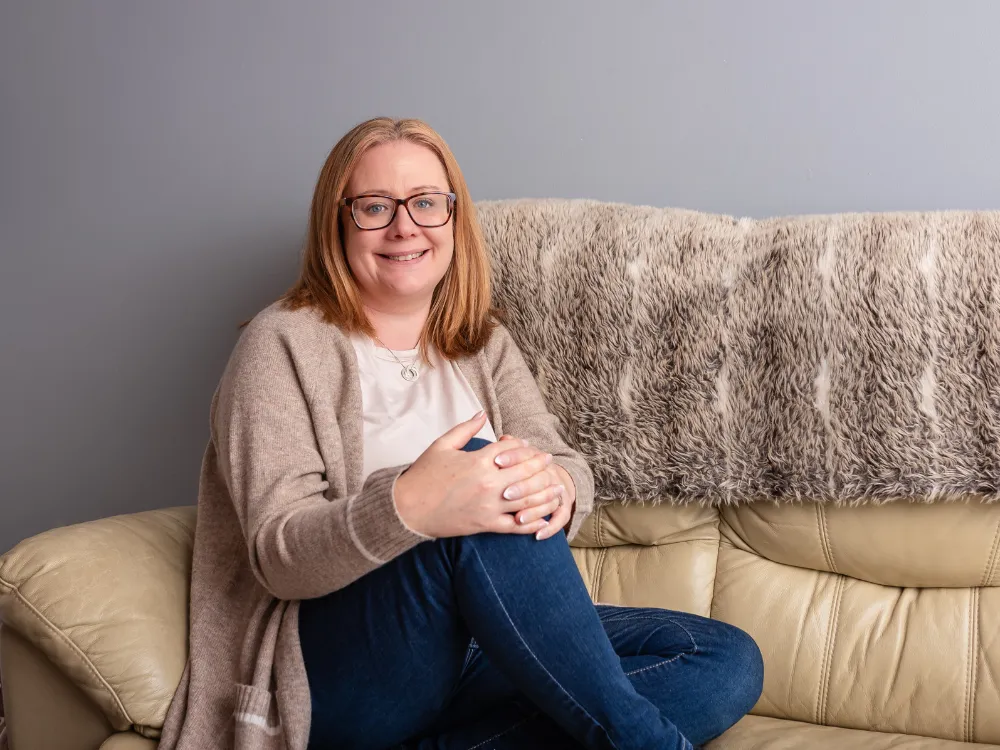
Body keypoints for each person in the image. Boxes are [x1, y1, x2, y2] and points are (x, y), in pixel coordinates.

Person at [158, 117, 763, 750]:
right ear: (336, 222)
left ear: (453, 218)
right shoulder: (282, 345)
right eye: (374, 207)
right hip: (336, 669)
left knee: (722, 659)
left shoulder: (483, 345)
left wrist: (556, 485)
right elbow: (278, 557)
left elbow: (561, 463)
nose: (404, 227)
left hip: (475, 643)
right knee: (480, 473)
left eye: (425, 203)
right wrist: (413, 502)